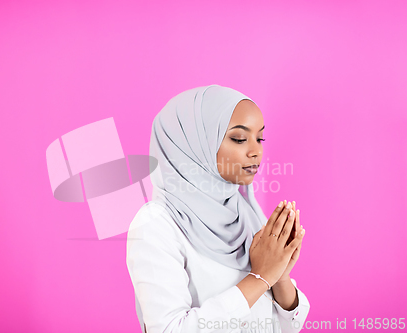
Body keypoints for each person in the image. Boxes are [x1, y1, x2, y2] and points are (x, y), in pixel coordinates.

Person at [126, 84, 310, 333]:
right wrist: (260, 278)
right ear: (193, 143)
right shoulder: (156, 224)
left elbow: (288, 326)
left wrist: (280, 277)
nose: (256, 151)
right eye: (239, 139)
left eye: (260, 138)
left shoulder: (246, 213)